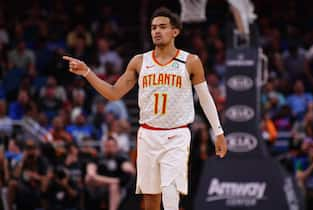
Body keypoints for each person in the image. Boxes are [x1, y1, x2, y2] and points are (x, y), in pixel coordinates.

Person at [63, 7, 227, 210]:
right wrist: (87, 72)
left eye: (162, 27)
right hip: (148, 135)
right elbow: (114, 93)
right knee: (150, 201)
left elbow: (205, 98)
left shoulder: (190, 61)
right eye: (153, 28)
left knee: (170, 193)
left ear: (175, 31)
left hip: (176, 134)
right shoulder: (140, 61)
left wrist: (218, 132)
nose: (157, 31)